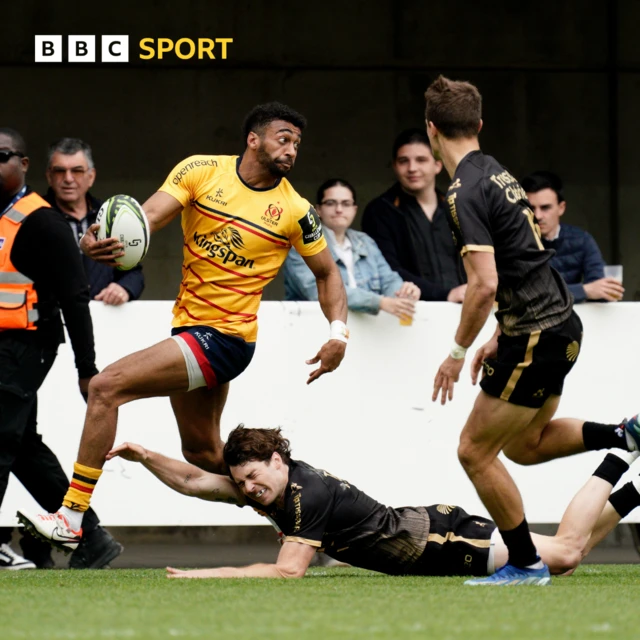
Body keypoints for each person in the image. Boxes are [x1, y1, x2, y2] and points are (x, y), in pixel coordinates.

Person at [18, 102, 348, 551]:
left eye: (296, 143)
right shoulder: (200, 171)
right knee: (204, 455)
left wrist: (337, 333)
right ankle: (309, 521)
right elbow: (146, 219)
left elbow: (327, 274)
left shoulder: (295, 210)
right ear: (253, 139)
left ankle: (71, 517)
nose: (291, 149)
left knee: (105, 387)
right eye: (283, 138)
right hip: (191, 331)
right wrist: (98, 238)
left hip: (226, 339)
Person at [425, 76, 640, 586]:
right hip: (559, 325)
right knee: (524, 444)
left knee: (473, 452)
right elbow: (527, 259)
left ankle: (525, 563)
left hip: (536, 334)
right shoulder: (497, 172)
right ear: (478, 125)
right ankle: (626, 435)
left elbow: (482, 286)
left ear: (431, 130)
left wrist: (456, 352)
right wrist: (500, 332)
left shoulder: (462, 192)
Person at [104, 426, 640, 580]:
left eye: (250, 480)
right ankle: (634, 490)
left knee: (566, 554)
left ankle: (623, 451)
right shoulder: (271, 489)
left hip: (440, 542)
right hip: (430, 532)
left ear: (276, 459)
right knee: (566, 562)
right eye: (240, 483)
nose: (246, 491)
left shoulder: (301, 495)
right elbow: (197, 482)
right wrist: (146, 454)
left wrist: (206, 576)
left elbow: (288, 572)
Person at [0, 127, 122, 569]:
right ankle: (91, 537)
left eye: (2, 155)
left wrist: (86, 368)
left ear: (23, 164)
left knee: (0, 438)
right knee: (21, 446)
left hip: (27, 345)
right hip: (5, 345)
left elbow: (75, 297)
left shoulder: (42, 221)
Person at [284, 179, 420, 321]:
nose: (339, 209)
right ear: (318, 210)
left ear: (354, 209)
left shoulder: (365, 242)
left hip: (367, 332)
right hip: (316, 331)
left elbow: (389, 280)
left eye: (346, 203)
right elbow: (321, 291)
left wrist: (403, 292)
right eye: (330, 203)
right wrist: (379, 303)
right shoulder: (302, 244)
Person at [361, 129, 467, 303]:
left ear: (438, 165)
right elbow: (388, 270)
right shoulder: (380, 211)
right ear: (394, 166)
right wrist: (445, 295)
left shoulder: (458, 208)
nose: (412, 168)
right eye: (404, 161)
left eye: (421, 160)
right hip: (410, 312)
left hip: (464, 309)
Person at [43, 138, 145, 306]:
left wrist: (123, 288)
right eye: (60, 171)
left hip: (104, 320)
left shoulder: (112, 218)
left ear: (91, 177)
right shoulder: (35, 216)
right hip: (51, 321)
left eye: (77, 171)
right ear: (49, 176)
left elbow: (134, 273)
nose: (68, 178)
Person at [521, 171, 623, 303]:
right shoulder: (517, 243)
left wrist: (592, 291)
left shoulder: (581, 240)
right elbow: (527, 295)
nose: (538, 216)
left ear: (561, 208)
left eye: (545, 208)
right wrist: (584, 291)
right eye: (531, 208)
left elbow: (602, 289)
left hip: (573, 320)